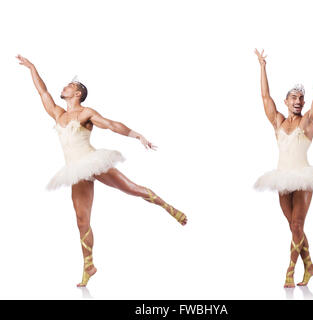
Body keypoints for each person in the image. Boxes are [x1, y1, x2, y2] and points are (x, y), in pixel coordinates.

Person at [16, 55, 187, 287]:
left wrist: (137, 135)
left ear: (77, 94)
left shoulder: (86, 113)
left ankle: (168, 207)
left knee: (131, 189)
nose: (65, 87)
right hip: (75, 170)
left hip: (92, 160)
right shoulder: (58, 113)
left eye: (70, 85)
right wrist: (32, 68)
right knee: (81, 219)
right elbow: (42, 92)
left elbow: (111, 124)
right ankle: (89, 265)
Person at [253, 47, 313, 287]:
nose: (298, 101)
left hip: (302, 178)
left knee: (297, 225)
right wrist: (262, 66)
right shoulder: (278, 122)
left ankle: (290, 270)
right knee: (294, 227)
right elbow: (264, 98)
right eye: (294, 98)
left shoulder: (307, 121)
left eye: (300, 98)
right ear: (286, 101)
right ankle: (310, 264)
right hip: (282, 178)